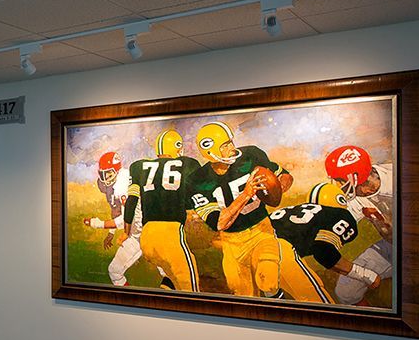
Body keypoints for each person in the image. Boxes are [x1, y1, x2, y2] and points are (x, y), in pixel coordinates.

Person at [186, 121, 292, 297]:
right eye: (225, 145)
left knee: (269, 281)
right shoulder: (198, 180)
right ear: (210, 151)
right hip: (231, 242)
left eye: (230, 142)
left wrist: (276, 188)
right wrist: (246, 194)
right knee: (242, 294)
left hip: (261, 230)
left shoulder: (250, 155)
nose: (232, 148)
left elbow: (285, 176)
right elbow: (219, 223)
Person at [268, 181, 377, 304]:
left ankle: (271, 293)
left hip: (250, 242)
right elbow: (324, 252)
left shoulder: (294, 210)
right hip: (278, 250)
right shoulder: (340, 214)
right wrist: (365, 274)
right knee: (319, 305)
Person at [122, 129, 200, 291]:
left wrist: (125, 232)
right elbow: (190, 201)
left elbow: (132, 200)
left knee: (171, 277)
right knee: (191, 288)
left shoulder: (139, 167)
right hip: (170, 235)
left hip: (147, 238)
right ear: (176, 147)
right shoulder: (187, 164)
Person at [323, 145, 394, 304]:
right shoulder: (356, 197)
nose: (338, 186)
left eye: (340, 181)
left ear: (355, 178)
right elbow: (338, 226)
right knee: (346, 291)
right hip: (391, 246)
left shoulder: (397, 180)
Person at [82, 151, 146, 287]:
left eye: (109, 173)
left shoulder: (122, 187)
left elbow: (124, 219)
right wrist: (111, 233)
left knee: (115, 271)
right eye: (103, 174)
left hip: (140, 234)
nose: (105, 178)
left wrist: (97, 224)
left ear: (117, 171)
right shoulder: (124, 179)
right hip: (142, 230)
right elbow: (118, 211)